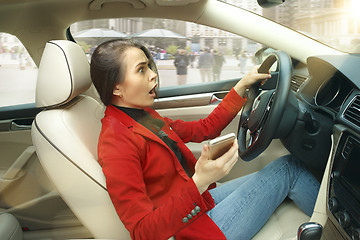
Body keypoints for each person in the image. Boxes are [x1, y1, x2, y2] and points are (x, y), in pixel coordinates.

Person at [90, 39, 320, 240]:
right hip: (194, 230)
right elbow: (143, 233)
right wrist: (199, 181)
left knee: (287, 166)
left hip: (200, 204)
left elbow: (204, 129)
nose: (152, 74)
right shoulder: (115, 141)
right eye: (141, 70)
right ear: (117, 88)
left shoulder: (143, 115)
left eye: (149, 66)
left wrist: (240, 87)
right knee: (291, 169)